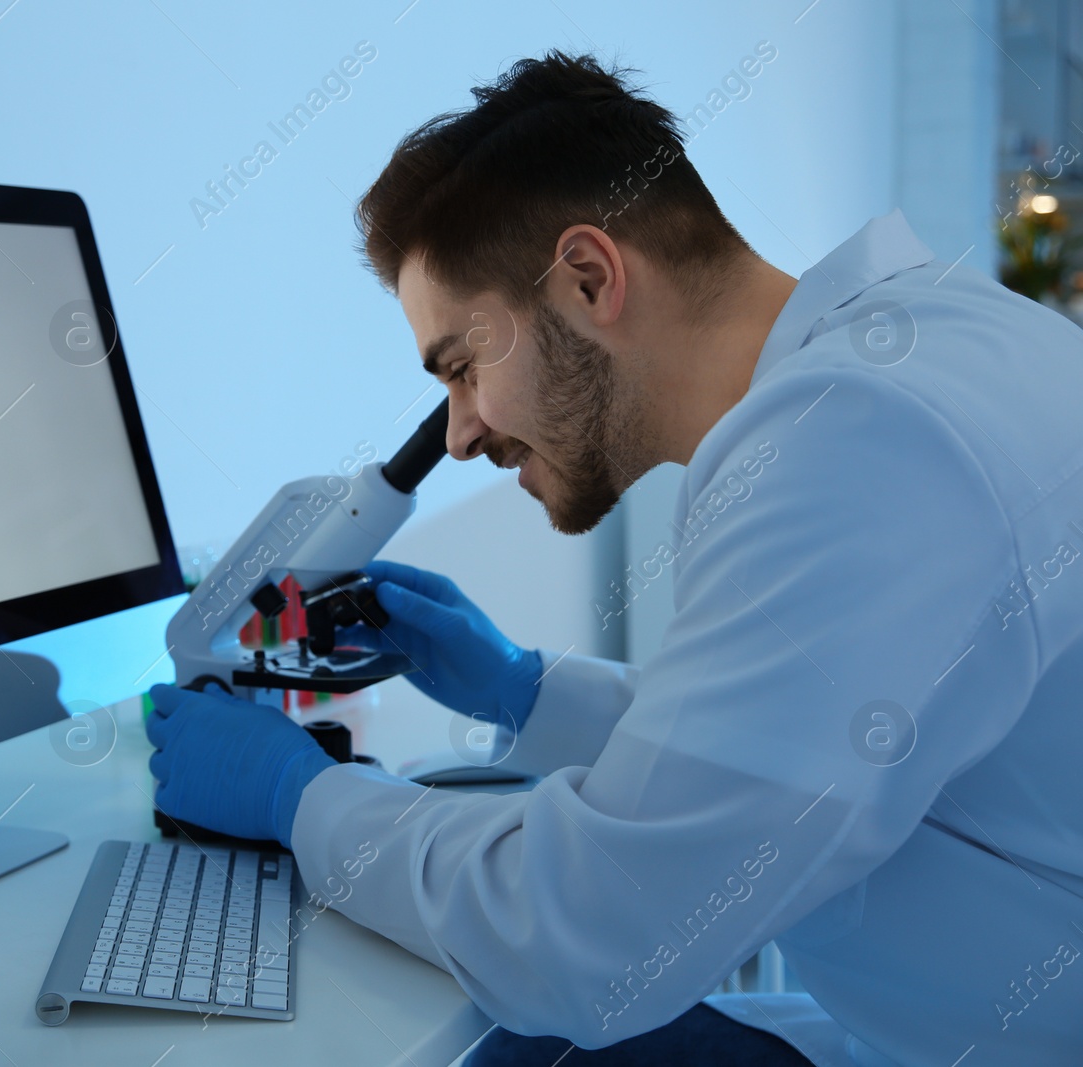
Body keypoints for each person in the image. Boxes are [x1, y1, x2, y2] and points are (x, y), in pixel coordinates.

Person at [146, 50, 1083, 1066]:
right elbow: (781, 749)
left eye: (462, 368)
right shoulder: (923, 344)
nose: (460, 433)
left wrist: (299, 796)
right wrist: (524, 691)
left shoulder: (849, 441)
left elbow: (591, 943)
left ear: (589, 279)